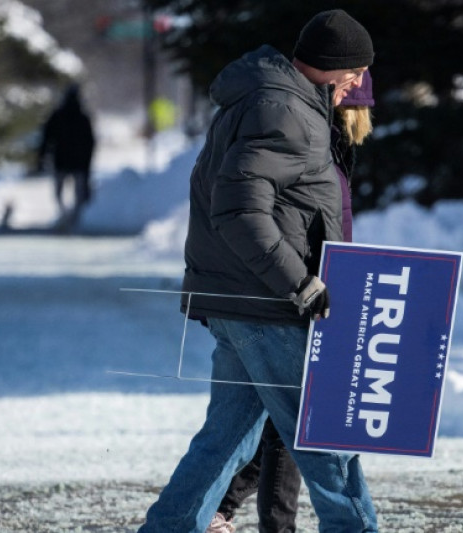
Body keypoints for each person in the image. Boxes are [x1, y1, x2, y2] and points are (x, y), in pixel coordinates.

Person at [138, 9, 377, 533]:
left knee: (224, 440)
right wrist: (301, 282)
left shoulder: (267, 98)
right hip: (268, 306)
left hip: (241, 300)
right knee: (325, 442)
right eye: (356, 73)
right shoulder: (286, 112)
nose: (359, 86)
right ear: (334, 69)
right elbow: (239, 209)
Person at [207, 70, 376, 533]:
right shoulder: (304, 133)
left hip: (302, 288)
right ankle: (244, 517)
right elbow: (262, 212)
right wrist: (303, 281)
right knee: (301, 425)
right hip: (292, 293)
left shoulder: (326, 141)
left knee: (261, 426)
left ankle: (214, 511)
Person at [37, 84, 96, 221]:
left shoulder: (61, 116)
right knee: (75, 191)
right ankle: (72, 215)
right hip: (74, 161)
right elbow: (90, 142)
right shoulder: (81, 118)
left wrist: (42, 157)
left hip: (63, 160)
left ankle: (68, 215)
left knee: (62, 191)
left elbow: (47, 139)